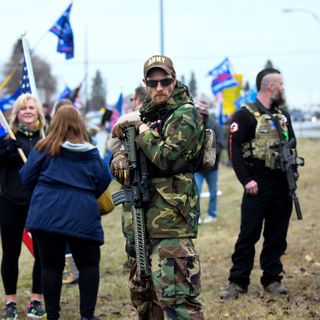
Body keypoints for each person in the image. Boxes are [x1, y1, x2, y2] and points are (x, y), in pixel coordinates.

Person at [111, 55, 205, 319]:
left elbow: (168, 157)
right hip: (139, 222)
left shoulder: (185, 114)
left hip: (170, 224)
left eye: (165, 81)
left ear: (174, 80)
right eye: (153, 83)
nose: (159, 88)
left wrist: (141, 130)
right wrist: (118, 158)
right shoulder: (146, 115)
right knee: (144, 300)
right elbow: (123, 150)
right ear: (145, 84)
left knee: (179, 304)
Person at [19, 105, 112, 320]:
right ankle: (87, 315)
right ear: (79, 123)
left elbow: (26, 178)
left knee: (50, 267)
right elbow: (103, 180)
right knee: (88, 265)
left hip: (46, 215)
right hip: (82, 216)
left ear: (55, 123)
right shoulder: (90, 152)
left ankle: (53, 315)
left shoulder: (43, 148)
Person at [220, 68, 300, 299]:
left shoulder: (283, 116)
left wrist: (293, 174)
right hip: (258, 183)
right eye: (281, 84)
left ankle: (272, 279)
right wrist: (246, 180)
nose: (283, 88)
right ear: (271, 86)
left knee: (277, 234)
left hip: (282, 184)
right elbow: (233, 149)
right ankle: (238, 281)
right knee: (248, 234)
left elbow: (291, 145)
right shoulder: (244, 115)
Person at [0, 93, 46, 319]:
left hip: (39, 203)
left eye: (31, 107)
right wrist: (6, 152)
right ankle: (10, 302)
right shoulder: (7, 138)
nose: (27, 111)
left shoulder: (47, 138)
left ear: (38, 111)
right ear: (16, 113)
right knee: (10, 253)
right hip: (10, 201)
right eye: (22, 108)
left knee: (42, 254)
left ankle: (37, 299)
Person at [195, 106, 224, 224]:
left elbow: (221, 143)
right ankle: (197, 217)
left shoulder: (215, 125)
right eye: (198, 113)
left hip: (212, 168)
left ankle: (212, 214)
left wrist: (209, 155)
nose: (201, 116)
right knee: (196, 191)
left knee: (213, 192)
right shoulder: (194, 125)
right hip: (199, 168)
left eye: (203, 114)